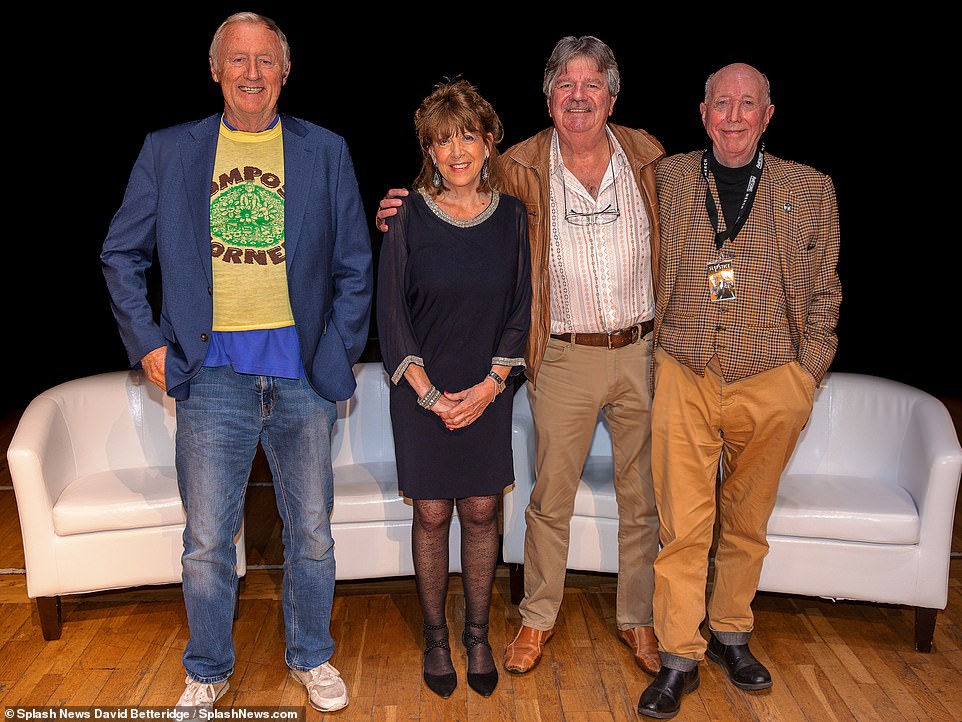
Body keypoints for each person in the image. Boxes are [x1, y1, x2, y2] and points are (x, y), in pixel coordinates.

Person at [100, 12, 372, 714]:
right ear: (215, 69)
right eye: (238, 60)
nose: (252, 74)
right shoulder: (170, 152)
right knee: (205, 541)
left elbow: (353, 268)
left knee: (311, 532)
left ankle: (312, 656)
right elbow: (121, 254)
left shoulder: (326, 151)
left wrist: (336, 353)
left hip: (304, 377)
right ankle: (208, 669)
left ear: (286, 71)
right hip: (211, 377)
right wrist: (151, 345)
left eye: (266, 61)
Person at [376, 36, 664, 678]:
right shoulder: (522, 166)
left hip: (638, 349)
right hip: (558, 357)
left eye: (592, 85)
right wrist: (391, 210)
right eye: (566, 86)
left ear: (612, 97)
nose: (579, 97)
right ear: (549, 98)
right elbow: (402, 298)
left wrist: (489, 383)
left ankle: (637, 621)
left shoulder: (649, 157)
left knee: (638, 501)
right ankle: (529, 623)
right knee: (542, 502)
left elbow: (513, 298)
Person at [637, 63, 841, 719]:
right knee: (683, 527)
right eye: (721, 103)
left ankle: (731, 633)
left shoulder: (810, 189)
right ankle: (677, 657)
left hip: (771, 378)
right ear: (703, 114)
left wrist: (804, 377)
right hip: (683, 370)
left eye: (746, 104)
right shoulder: (664, 178)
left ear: (767, 115)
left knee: (747, 522)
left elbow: (825, 293)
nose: (733, 115)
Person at [376, 78, 531, 699]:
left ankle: (478, 634)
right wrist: (432, 394)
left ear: (489, 142)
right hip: (423, 390)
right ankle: (437, 637)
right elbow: (391, 316)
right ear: (429, 150)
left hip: (488, 386)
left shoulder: (514, 217)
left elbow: (521, 309)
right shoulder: (405, 216)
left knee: (483, 508)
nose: (456, 150)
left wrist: (491, 385)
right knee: (435, 512)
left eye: (467, 135)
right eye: (442, 140)